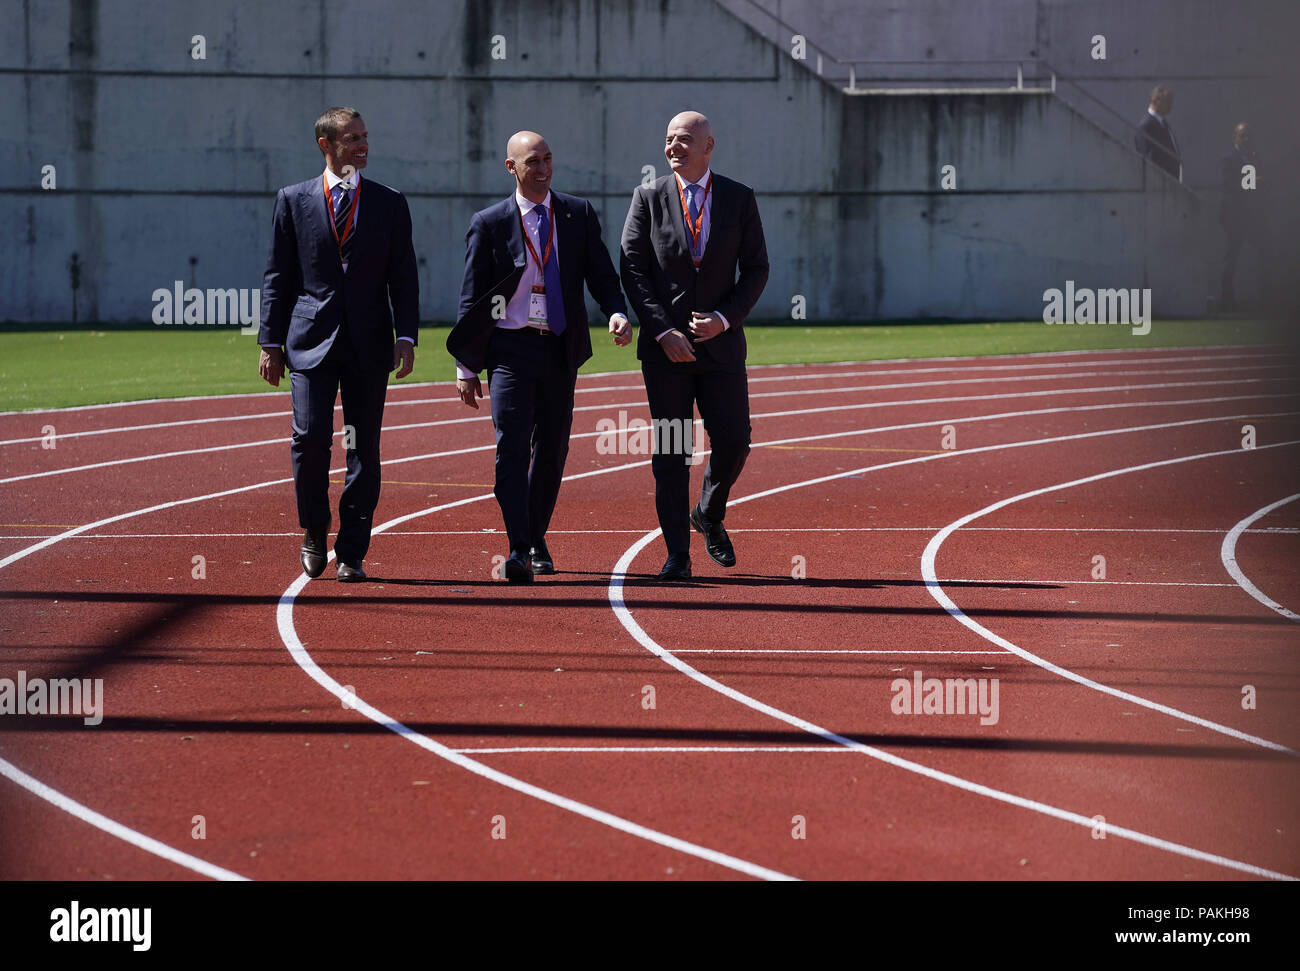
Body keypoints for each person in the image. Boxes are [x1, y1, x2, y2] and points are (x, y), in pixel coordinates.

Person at [447, 131, 631, 583]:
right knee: (511, 448)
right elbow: (472, 296)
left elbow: (601, 272)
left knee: (552, 450)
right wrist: (467, 365)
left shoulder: (576, 213)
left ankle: (534, 537)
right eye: (534, 161)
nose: (544, 168)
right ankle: (517, 548)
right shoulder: (489, 223)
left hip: (559, 346)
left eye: (549, 159)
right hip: (510, 347)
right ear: (511, 167)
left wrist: (616, 312)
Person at [258, 107, 419, 582]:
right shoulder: (292, 200)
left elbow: (403, 276)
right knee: (309, 440)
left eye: (365, 136)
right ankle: (314, 528)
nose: (362, 146)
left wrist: (405, 335)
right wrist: (270, 341)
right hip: (309, 342)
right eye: (351, 139)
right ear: (325, 145)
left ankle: (352, 550)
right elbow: (277, 277)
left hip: (369, 344)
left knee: (363, 450)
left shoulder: (390, 203)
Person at [619, 110, 768, 582]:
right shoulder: (648, 197)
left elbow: (757, 269)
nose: (673, 147)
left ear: (709, 146)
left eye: (684, 139)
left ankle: (708, 509)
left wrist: (724, 320)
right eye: (668, 139)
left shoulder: (739, 198)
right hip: (666, 355)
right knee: (671, 454)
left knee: (734, 441)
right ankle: (677, 557)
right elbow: (633, 270)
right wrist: (663, 331)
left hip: (721, 350)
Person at [1218, 122, 1260, 313]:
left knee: (1265, 251)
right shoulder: (1230, 159)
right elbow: (1228, 186)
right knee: (1231, 258)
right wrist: (1248, 183)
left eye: (1249, 136)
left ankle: (1267, 295)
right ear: (1235, 137)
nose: (1247, 140)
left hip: (1249, 215)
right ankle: (1227, 300)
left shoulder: (1252, 158)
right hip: (1234, 216)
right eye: (1243, 136)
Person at [1134, 84, 1181, 181]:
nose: (1170, 105)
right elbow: (1143, 156)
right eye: (1167, 102)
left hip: (1171, 180)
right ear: (1155, 101)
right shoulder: (1146, 125)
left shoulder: (1163, 123)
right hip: (1159, 182)